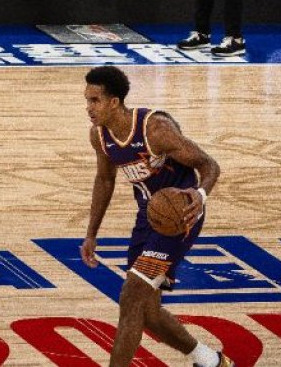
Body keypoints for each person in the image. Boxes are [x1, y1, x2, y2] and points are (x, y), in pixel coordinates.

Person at [79, 65, 230, 367]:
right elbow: (105, 180)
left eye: (95, 101)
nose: (89, 108)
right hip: (149, 218)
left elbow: (208, 164)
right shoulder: (100, 137)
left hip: (180, 218)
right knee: (146, 311)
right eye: (87, 100)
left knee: (131, 296)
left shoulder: (154, 129)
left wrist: (199, 196)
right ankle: (210, 361)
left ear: (114, 102)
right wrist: (91, 233)